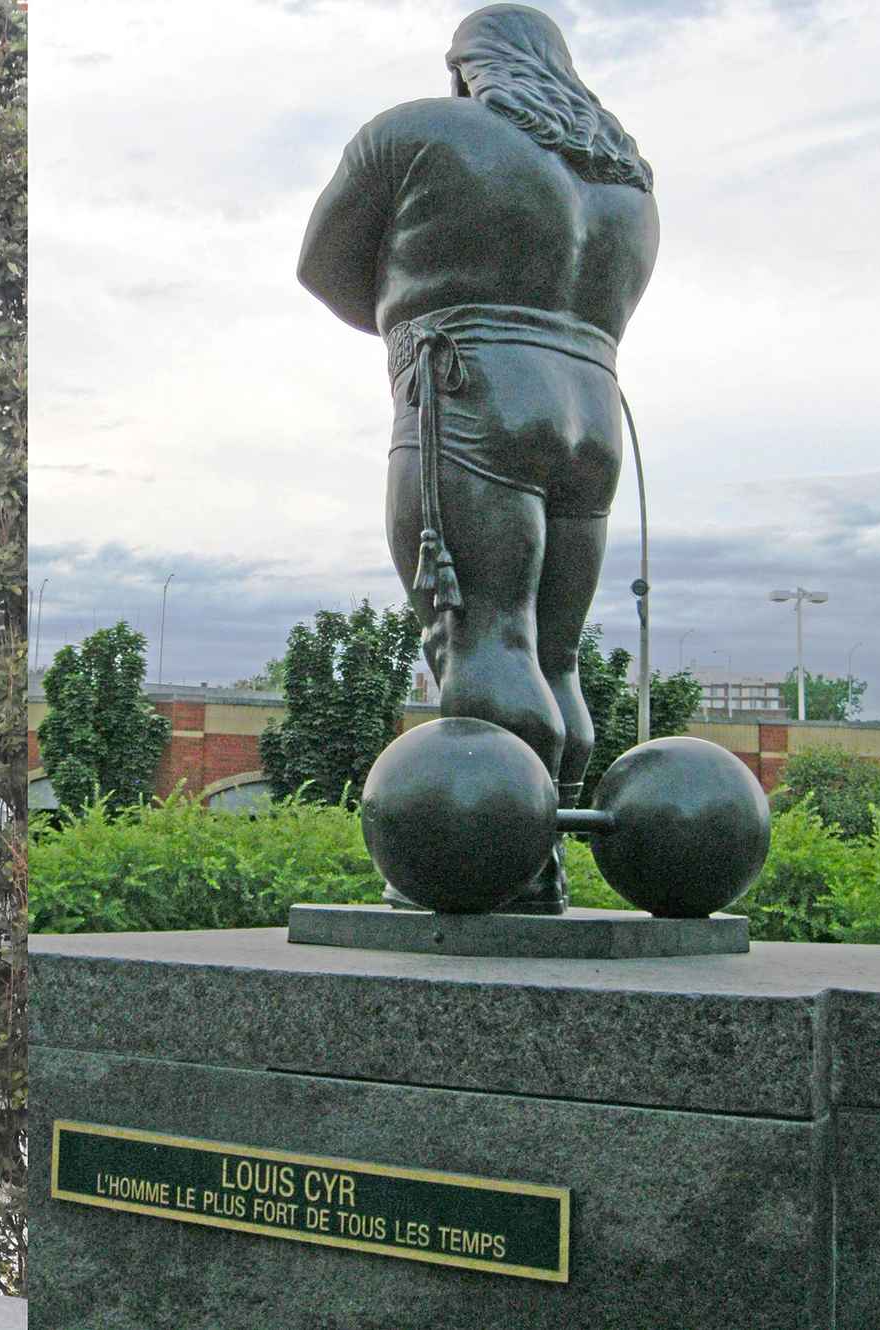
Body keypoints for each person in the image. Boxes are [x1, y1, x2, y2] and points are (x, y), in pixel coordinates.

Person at [298, 3, 659, 912]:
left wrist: (420, 302)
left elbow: (324, 267)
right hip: (593, 409)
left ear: (471, 66)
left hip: (472, 385)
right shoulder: (627, 177)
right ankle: (540, 861)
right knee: (558, 653)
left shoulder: (417, 130)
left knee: (484, 634)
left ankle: (491, 864)